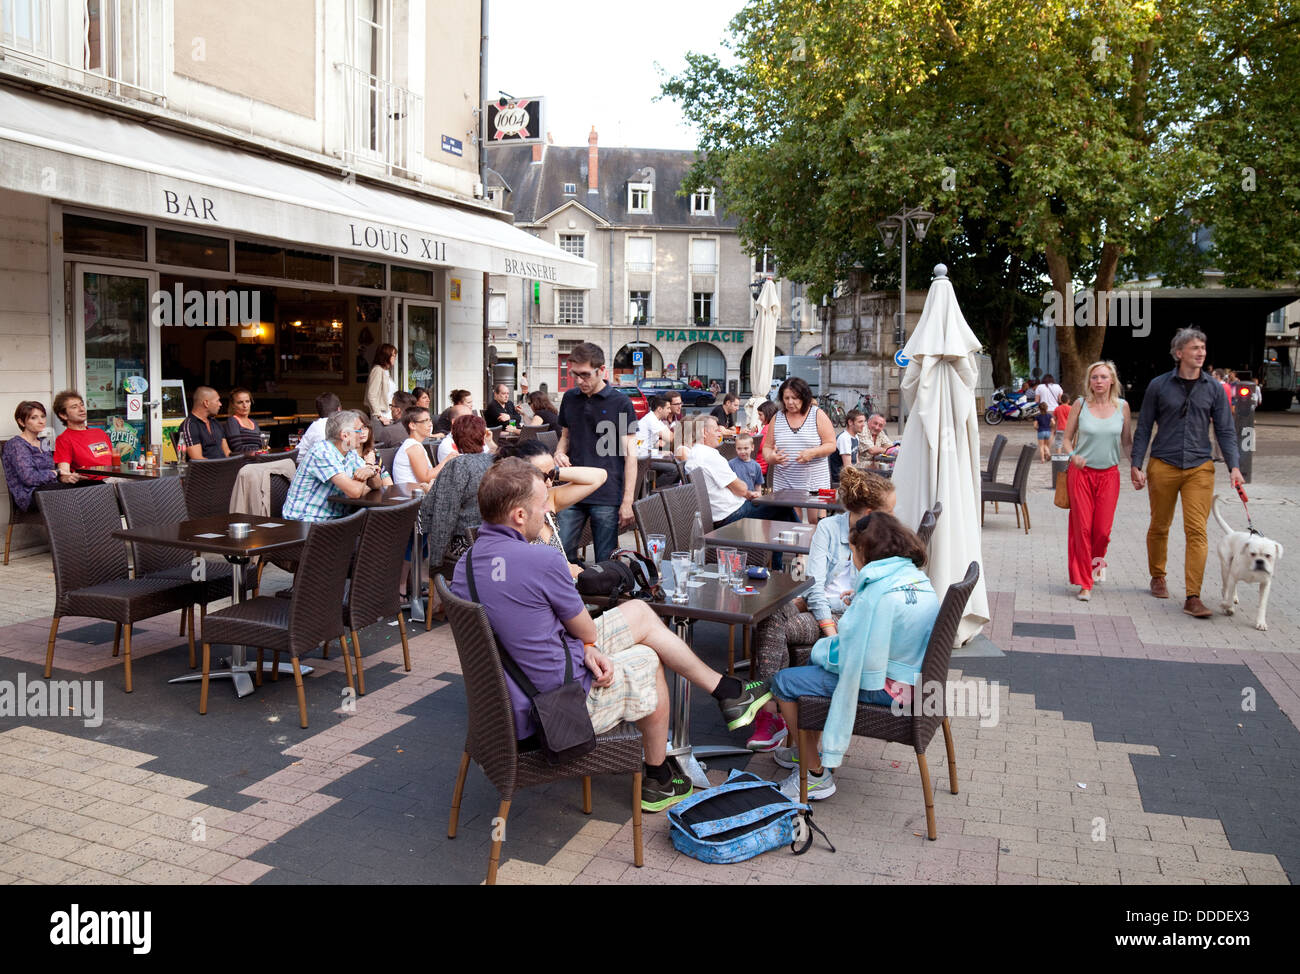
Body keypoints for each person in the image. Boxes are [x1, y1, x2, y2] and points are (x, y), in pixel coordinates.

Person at [451, 458, 773, 811]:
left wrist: (585, 646)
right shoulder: (541, 561)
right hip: (554, 708)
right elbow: (586, 628)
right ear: (518, 515)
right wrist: (586, 643)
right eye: (542, 504)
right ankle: (657, 777)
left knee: (638, 613)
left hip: (507, 697)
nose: (548, 509)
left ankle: (725, 691)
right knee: (648, 658)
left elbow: (525, 627)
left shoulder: (465, 565)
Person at [768, 512, 939, 800]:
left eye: (853, 549)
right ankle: (805, 751)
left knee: (785, 682)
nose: (852, 557)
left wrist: (822, 650)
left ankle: (814, 773)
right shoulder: (915, 579)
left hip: (885, 689)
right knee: (808, 673)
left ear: (865, 550)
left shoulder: (877, 595)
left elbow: (850, 657)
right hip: (913, 682)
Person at [746, 468, 896, 750]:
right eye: (889, 511)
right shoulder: (828, 528)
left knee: (775, 626)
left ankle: (771, 713)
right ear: (867, 511)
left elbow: (867, 598)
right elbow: (814, 584)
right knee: (771, 614)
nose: (893, 518)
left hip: (850, 619)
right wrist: (826, 619)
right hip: (824, 611)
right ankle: (775, 711)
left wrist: (825, 608)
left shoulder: (884, 538)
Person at [1132, 327, 1243, 618]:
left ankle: (1193, 596)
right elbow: (1143, 426)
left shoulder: (1214, 389)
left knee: (1197, 531)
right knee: (1160, 524)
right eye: (1195, 347)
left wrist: (1234, 467)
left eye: (1203, 347)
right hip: (1163, 463)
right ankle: (1158, 576)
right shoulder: (1158, 385)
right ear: (1179, 353)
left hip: (1199, 467)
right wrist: (1136, 464)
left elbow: (1225, 430)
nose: (1201, 352)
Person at [554, 342, 639, 564]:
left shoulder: (620, 402)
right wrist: (558, 452)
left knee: (605, 559)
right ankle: (569, 595)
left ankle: (599, 596)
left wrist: (627, 501)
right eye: (575, 375)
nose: (580, 381)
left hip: (607, 491)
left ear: (601, 371)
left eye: (585, 375)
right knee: (559, 553)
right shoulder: (570, 398)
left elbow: (631, 455)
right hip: (572, 487)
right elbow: (565, 436)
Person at [1063, 361, 1132, 602]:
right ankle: (1084, 583)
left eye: (1103, 377)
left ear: (1112, 380)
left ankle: (1096, 562)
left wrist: (1137, 467)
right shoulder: (1080, 405)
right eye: (1094, 377)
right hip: (1081, 474)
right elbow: (1066, 440)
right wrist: (1074, 456)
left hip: (1109, 475)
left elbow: (1127, 443)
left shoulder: (1122, 407)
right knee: (1082, 529)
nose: (1099, 381)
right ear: (1089, 381)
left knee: (1102, 531)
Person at [496, 438, 607, 578]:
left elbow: (599, 477)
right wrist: (564, 571)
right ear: (520, 476)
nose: (549, 483)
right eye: (542, 477)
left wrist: (552, 471)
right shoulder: (513, 516)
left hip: (564, 586)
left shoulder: (549, 497)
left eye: (551, 475)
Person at [421, 413, 496, 616]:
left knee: (429, 538)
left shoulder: (457, 466)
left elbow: (444, 514)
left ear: (455, 440)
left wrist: (436, 562)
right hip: (492, 540)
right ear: (483, 437)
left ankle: (438, 602)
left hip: (466, 544)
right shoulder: (494, 461)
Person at [685, 416, 796, 529]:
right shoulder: (710, 455)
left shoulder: (694, 454)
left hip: (722, 514)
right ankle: (804, 542)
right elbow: (741, 488)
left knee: (779, 509)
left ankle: (787, 542)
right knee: (784, 504)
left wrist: (747, 493)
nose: (720, 433)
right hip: (731, 515)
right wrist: (745, 491)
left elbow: (731, 488)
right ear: (704, 433)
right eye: (716, 430)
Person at [282, 410, 384, 522]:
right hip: (305, 521)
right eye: (359, 430)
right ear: (345, 435)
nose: (362, 434)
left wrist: (369, 470)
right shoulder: (322, 452)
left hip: (334, 519)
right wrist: (366, 471)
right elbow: (354, 491)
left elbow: (378, 484)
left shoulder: (350, 452)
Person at [3, 401, 92, 511]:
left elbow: (51, 471)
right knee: (83, 493)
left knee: (94, 485)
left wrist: (67, 478)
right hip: (31, 496)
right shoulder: (16, 444)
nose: (41, 421)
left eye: (43, 416)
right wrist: (57, 473)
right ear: (21, 422)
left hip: (51, 489)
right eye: (34, 418)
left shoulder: (44, 442)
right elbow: (29, 478)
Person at [765, 376, 836, 496]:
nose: (790, 402)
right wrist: (771, 458)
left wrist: (813, 452)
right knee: (791, 515)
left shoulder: (817, 414)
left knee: (816, 515)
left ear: (804, 398)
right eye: (786, 398)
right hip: (784, 483)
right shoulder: (777, 417)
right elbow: (767, 446)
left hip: (816, 483)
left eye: (795, 398)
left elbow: (831, 445)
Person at [51, 390, 114, 480]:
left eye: (82, 405)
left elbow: (115, 463)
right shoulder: (64, 439)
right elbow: (64, 472)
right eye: (74, 407)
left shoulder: (100, 433)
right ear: (63, 415)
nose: (81, 409)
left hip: (115, 479)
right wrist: (68, 478)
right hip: (92, 485)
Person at [392, 406, 440, 489]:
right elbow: (425, 478)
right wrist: (446, 461)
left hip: (417, 493)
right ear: (412, 426)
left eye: (430, 420)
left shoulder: (414, 444)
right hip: (411, 496)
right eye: (425, 421)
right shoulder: (414, 447)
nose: (430, 424)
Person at [180, 386, 231, 460]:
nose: (220, 404)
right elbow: (197, 459)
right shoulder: (189, 425)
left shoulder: (215, 423)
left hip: (225, 467)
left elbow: (227, 453)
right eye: (217, 401)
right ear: (206, 403)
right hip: (206, 470)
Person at [224, 388, 263, 453]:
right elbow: (237, 448)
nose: (245, 405)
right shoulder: (232, 421)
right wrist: (257, 451)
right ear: (233, 405)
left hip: (259, 457)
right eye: (240, 402)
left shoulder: (253, 422)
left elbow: (261, 445)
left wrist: (265, 448)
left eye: (247, 401)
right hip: (244, 460)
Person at [365, 343, 398, 421]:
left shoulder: (385, 371)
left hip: (388, 413)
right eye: (393, 355)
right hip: (382, 414)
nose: (395, 358)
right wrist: (379, 416)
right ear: (386, 356)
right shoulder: (377, 370)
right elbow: (371, 395)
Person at [356, 422, 394, 487]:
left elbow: (386, 484)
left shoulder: (373, 453)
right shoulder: (347, 456)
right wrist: (368, 465)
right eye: (358, 428)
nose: (362, 432)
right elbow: (355, 490)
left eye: (365, 427)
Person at [753, 398, 780, 478]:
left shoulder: (767, 428)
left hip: (760, 467)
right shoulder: (775, 426)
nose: (758, 418)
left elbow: (758, 446)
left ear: (768, 414)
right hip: (767, 466)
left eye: (760, 415)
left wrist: (751, 435)